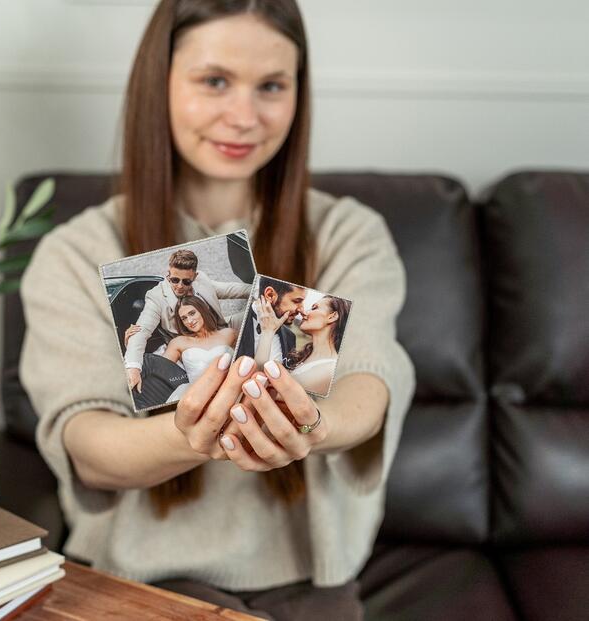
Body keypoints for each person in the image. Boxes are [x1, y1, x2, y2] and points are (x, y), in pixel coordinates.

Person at [20, 1, 415, 619]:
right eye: (214, 81)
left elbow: (370, 377)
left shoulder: (348, 233)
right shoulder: (75, 253)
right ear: (158, 85)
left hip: (310, 580)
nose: (244, 117)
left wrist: (316, 426)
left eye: (272, 86)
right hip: (142, 578)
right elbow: (86, 441)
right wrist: (187, 435)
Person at [124, 248, 250, 395]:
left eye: (186, 281)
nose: (179, 286)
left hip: (221, 328)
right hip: (190, 343)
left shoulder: (201, 279)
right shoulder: (156, 297)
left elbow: (230, 289)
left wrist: (258, 287)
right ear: (168, 273)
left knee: (257, 310)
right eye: (174, 280)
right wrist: (133, 366)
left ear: (194, 277)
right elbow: (142, 331)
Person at [254, 294, 350, 396]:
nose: (304, 312)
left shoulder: (329, 371)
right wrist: (268, 331)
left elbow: (263, 390)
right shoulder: (303, 356)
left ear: (332, 316)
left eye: (314, 308)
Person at [162, 295, 238, 402]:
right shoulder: (179, 342)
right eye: (184, 318)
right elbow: (159, 370)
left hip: (229, 393)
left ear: (202, 310)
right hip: (196, 397)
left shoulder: (229, 334)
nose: (189, 321)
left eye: (192, 313)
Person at [236, 277, 305, 365]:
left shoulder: (290, 337)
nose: (301, 310)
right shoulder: (234, 323)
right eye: (296, 301)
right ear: (270, 295)